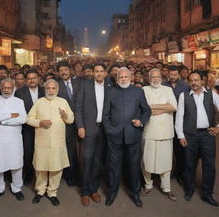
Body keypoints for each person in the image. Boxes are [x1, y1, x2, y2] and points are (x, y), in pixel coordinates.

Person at [175, 70, 219, 206]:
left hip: (207, 135)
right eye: (191, 80)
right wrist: (181, 135)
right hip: (190, 136)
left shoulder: (211, 94)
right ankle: (189, 189)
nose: (194, 83)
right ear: (188, 82)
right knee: (190, 164)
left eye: (196, 80)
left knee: (209, 165)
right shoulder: (183, 95)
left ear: (202, 81)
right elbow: (179, 117)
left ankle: (207, 194)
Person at [103, 67, 151, 207]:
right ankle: (112, 192)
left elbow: (146, 110)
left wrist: (141, 121)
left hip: (133, 135)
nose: (123, 79)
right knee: (113, 166)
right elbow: (105, 114)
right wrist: (109, 130)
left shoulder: (138, 91)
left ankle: (136, 193)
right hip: (114, 136)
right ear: (117, 79)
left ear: (130, 77)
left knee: (134, 166)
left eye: (125, 77)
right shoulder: (110, 92)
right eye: (120, 77)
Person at [27, 79, 74, 206]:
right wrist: (40, 123)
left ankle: (52, 192)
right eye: (48, 88)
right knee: (41, 168)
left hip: (57, 142)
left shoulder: (63, 102)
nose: (51, 91)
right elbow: (28, 118)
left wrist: (65, 117)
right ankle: (40, 191)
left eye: (53, 88)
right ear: (45, 89)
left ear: (57, 90)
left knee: (56, 168)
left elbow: (71, 119)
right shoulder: (39, 102)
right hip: (41, 141)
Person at [0, 78, 26, 202]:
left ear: (14, 88)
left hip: (14, 140)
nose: (6, 90)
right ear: (0, 88)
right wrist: (10, 115)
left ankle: (17, 189)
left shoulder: (19, 102)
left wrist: (0, 121)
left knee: (16, 165)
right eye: (4, 87)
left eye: (9, 87)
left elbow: (23, 119)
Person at [75, 63, 111, 206]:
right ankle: (84, 191)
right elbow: (77, 108)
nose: (99, 74)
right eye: (96, 71)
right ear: (93, 73)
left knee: (98, 161)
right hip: (88, 129)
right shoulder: (85, 85)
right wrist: (80, 126)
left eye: (102, 71)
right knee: (87, 160)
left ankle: (93, 189)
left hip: (104, 130)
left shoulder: (110, 86)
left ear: (105, 73)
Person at [142, 68, 177, 201]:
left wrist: (154, 107)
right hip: (149, 131)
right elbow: (144, 108)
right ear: (149, 78)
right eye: (153, 77)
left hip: (166, 132)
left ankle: (166, 187)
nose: (155, 79)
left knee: (166, 161)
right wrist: (164, 106)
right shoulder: (144, 90)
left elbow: (174, 106)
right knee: (147, 161)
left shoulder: (168, 90)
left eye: (157, 77)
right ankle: (148, 184)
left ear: (161, 78)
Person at [14, 69, 45, 185]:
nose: (32, 80)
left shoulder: (44, 91)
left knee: (42, 153)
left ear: (38, 79)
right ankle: (28, 176)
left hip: (43, 128)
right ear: (26, 80)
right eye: (29, 78)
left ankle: (41, 177)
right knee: (28, 152)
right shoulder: (20, 93)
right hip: (27, 129)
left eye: (34, 78)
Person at [163, 65, 190, 185]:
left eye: (175, 75)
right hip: (166, 121)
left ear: (178, 74)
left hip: (181, 123)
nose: (172, 77)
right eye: (170, 74)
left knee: (180, 150)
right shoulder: (163, 85)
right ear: (167, 74)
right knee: (167, 150)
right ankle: (167, 172)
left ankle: (179, 173)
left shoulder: (185, 86)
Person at [57, 61, 80, 186]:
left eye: (66, 69)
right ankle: (70, 175)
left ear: (70, 70)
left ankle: (81, 174)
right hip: (65, 123)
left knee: (82, 151)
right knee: (69, 150)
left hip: (81, 121)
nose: (64, 72)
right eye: (61, 70)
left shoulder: (79, 83)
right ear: (58, 72)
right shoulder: (57, 86)